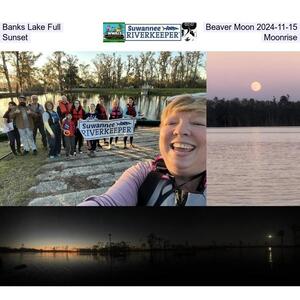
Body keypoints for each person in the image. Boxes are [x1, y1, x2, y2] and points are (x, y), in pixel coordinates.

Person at [79, 94, 206, 206]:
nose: (180, 130)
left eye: (198, 123)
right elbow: (107, 202)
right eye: (172, 123)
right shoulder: (142, 175)